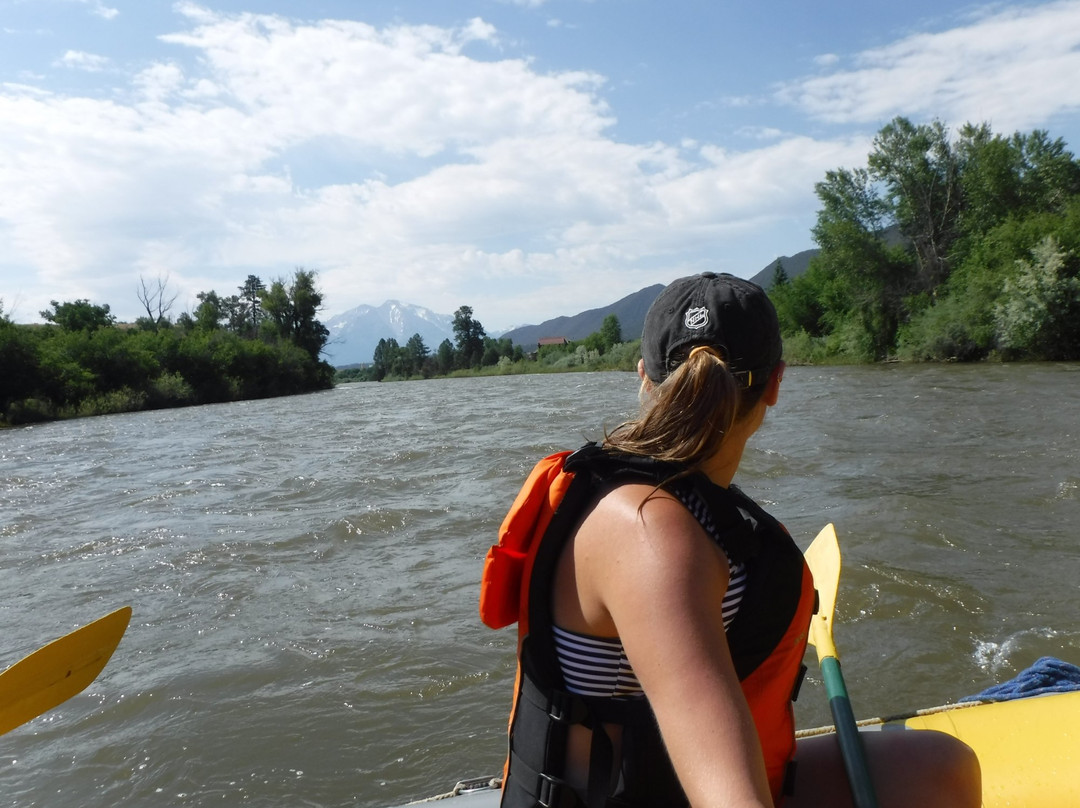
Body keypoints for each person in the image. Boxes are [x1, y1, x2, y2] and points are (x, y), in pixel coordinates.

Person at [484, 272, 981, 807]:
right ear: (775, 385)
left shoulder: (672, 509)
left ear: (645, 378)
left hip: (661, 782)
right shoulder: (654, 532)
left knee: (939, 768)